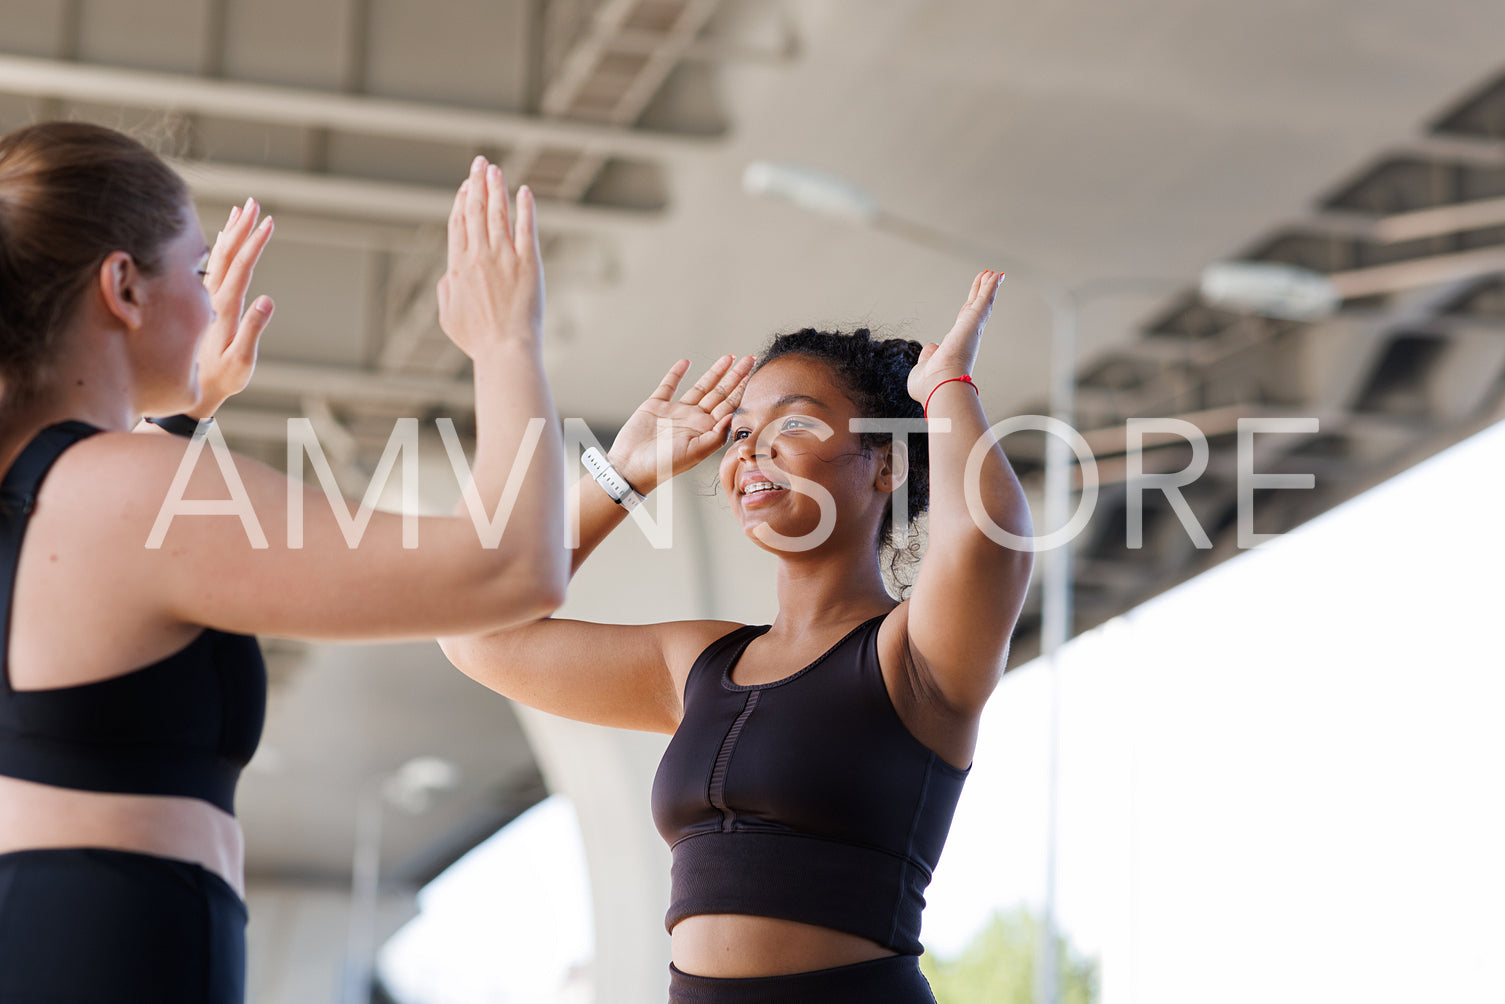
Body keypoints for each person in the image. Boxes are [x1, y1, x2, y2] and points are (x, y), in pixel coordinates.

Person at [0, 122, 566, 1003]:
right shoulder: (133, 492)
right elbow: (506, 566)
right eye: (194, 273)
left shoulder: (50, 492)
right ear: (122, 287)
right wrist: (505, 341)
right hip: (108, 938)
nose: (209, 299)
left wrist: (185, 414)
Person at [441, 269, 1033, 1003]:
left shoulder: (913, 656)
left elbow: (985, 534)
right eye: (741, 431)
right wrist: (623, 473)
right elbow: (476, 632)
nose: (753, 450)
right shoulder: (697, 664)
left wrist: (946, 388)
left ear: (883, 462)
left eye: (793, 423)